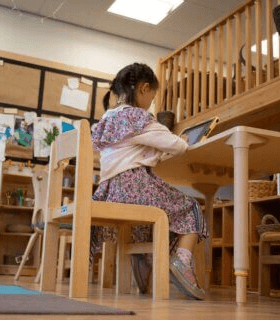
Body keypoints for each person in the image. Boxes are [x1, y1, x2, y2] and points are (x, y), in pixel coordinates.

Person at [91, 62, 208, 300]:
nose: (151, 104)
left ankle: (143, 262)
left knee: (154, 213)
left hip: (111, 191)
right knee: (191, 207)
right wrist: (182, 140)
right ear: (144, 89)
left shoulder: (109, 118)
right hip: (133, 186)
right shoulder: (137, 117)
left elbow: (138, 151)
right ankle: (182, 262)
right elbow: (176, 145)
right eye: (152, 98)